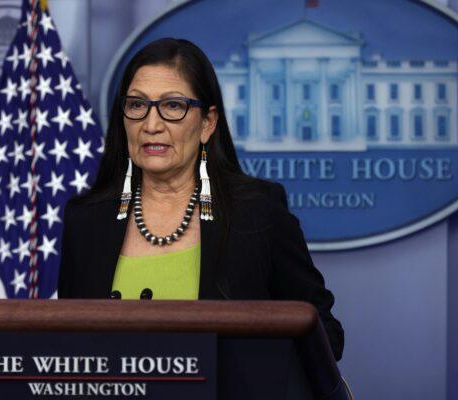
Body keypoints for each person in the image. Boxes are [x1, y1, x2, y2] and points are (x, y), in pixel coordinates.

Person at [58, 38, 344, 361]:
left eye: (173, 106)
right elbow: (70, 351)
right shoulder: (86, 220)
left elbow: (325, 336)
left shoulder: (258, 214)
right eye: (137, 105)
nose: (151, 125)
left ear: (207, 123)